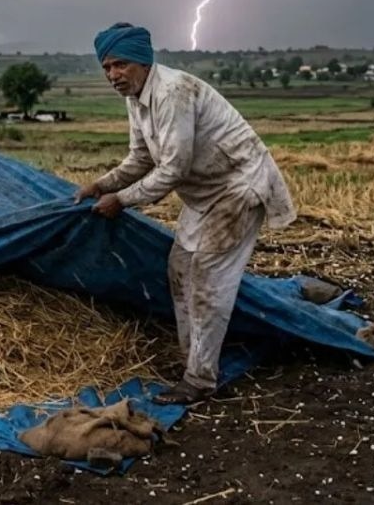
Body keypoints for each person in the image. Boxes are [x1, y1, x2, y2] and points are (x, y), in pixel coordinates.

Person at [74, 22, 296, 405]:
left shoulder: (173, 92)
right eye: (107, 67)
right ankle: (190, 361)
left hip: (237, 188)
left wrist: (122, 200)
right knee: (180, 269)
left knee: (208, 278)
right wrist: (102, 184)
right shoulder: (136, 99)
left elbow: (173, 169)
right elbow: (141, 158)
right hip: (203, 196)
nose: (113, 75)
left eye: (120, 64)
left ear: (143, 60)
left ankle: (199, 380)